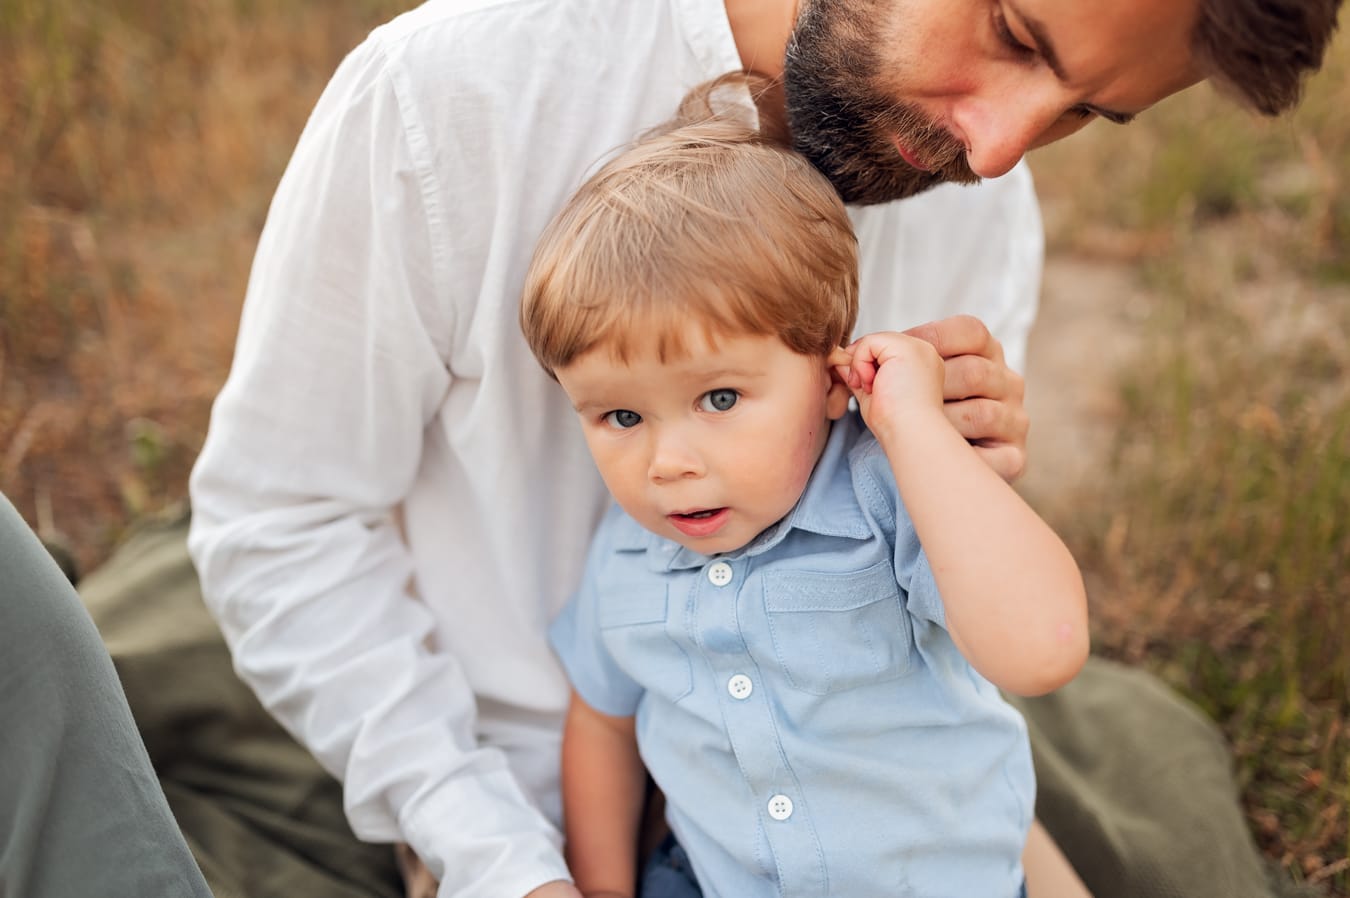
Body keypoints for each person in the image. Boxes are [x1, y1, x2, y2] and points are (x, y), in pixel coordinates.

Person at [2, 0, 1322, 896]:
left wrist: (962, 474)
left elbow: (964, 624)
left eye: (1088, 112)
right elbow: (281, 523)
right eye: (1016, 33)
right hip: (500, 776)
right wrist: (494, 855)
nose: (997, 146)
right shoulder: (451, 97)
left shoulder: (974, 194)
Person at [519, 92, 1090, 897]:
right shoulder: (627, 553)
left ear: (830, 376)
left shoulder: (887, 495)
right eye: (621, 415)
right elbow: (603, 725)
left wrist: (915, 427)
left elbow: (1044, 647)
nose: (668, 463)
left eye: (719, 399)